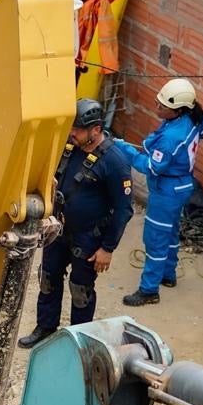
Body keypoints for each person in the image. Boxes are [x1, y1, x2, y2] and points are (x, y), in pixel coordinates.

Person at [18, 99, 134, 348]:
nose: (72, 133)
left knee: (80, 290)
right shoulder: (70, 148)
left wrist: (108, 248)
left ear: (95, 129)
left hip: (88, 238)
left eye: (78, 129)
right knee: (48, 278)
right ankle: (46, 327)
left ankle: (78, 341)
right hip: (58, 230)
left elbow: (123, 210)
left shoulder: (114, 162)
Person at [116, 77, 203, 306]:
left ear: (177, 109)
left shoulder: (170, 138)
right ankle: (168, 274)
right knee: (170, 230)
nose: (156, 107)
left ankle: (149, 289)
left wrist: (124, 149)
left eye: (162, 106)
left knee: (155, 236)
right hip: (182, 185)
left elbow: (151, 167)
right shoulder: (195, 119)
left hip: (167, 189)